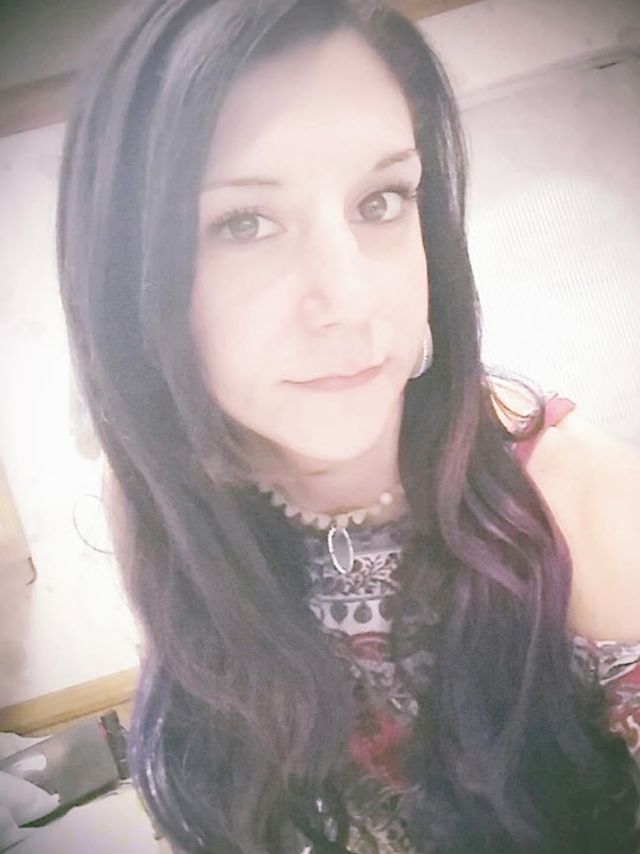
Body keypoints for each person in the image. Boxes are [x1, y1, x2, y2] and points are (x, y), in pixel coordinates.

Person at [56, 0, 640, 851]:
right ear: (130, 279)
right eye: (242, 223)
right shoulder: (158, 490)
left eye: (382, 200)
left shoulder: (563, 488)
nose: (352, 297)